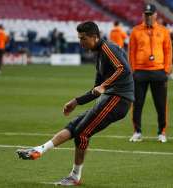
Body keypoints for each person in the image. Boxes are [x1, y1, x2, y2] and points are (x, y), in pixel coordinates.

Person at [16, 21, 134, 186]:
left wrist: (104, 85)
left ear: (94, 37)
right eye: (79, 39)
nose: (81, 43)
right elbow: (95, 89)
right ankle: (39, 150)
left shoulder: (108, 48)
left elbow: (123, 69)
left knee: (83, 133)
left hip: (119, 99)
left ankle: (75, 177)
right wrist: (76, 101)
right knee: (74, 126)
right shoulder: (99, 55)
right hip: (110, 97)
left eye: (83, 39)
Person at [128, 3, 172, 143]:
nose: (148, 17)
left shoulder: (164, 31)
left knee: (161, 104)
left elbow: (168, 51)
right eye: (146, 14)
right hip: (140, 72)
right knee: (137, 104)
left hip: (159, 71)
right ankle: (137, 132)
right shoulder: (135, 31)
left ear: (156, 15)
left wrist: (166, 69)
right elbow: (131, 52)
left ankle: (162, 132)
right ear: (143, 15)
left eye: (150, 14)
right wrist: (133, 70)